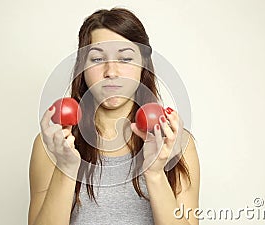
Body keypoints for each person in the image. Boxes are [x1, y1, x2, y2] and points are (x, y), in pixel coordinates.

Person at [28, 8, 200, 225]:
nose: (111, 71)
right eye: (98, 58)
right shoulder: (52, 144)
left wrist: (155, 174)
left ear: (143, 65)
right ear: (82, 66)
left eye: (125, 58)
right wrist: (66, 168)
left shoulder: (178, 144)